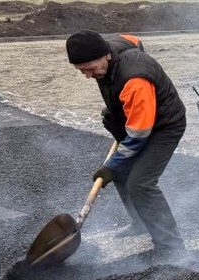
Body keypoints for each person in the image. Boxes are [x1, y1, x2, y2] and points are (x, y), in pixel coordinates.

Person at [65, 30, 186, 255]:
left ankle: (171, 247)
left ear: (105, 56)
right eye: (81, 70)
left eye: (90, 68)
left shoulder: (135, 80)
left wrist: (113, 164)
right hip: (136, 120)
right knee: (121, 172)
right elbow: (134, 41)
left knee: (140, 183)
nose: (87, 75)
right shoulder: (112, 46)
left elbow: (139, 134)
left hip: (165, 125)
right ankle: (141, 222)